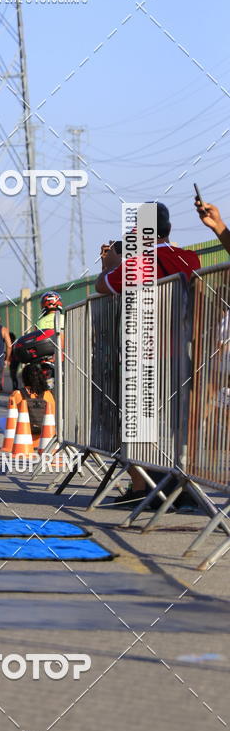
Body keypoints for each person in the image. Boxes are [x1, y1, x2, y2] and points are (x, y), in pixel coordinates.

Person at [96, 201, 201, 504]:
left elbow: (102, 285)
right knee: (179, 426)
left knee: (140, 427)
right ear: (169, 229)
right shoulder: (190, 258)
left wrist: (112, 263)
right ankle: (182, 488)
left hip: (146, 355)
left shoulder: (138, 264)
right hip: (182, 352)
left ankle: (148, 489)